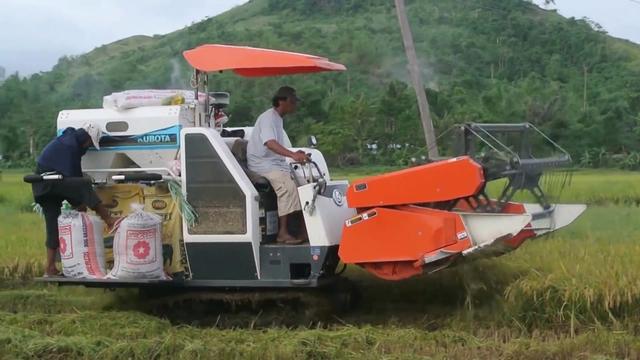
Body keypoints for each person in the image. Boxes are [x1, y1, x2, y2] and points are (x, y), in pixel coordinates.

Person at [32, 124, 117, 276]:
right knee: (83, 184)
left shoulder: (69, 141)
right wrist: (81, 204)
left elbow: (70, 181)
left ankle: (50, 268)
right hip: (50, 182)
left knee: (53, 226)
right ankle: (109, 220)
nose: (88, 147)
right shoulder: (71, 147)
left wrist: (80, 204)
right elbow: (76, 181)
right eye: (90, 144)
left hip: (43, 187)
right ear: (86, 139)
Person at [247, 86, 309, 245]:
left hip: (274, 164)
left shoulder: (278, 119)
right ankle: (282, 233)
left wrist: (297, 153)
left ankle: (303, 230)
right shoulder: (268, 118)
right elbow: (270, 143)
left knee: (305, 187)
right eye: (293, 101)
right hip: (262, 165)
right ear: (282, 101)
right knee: (287, 187)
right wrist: (293, 155)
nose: (295, 105)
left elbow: (276, 146)